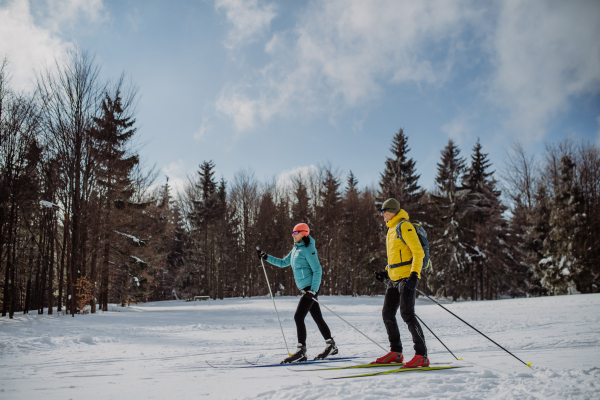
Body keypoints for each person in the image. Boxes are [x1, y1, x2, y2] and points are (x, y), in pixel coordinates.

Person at [256, 223, 337, 363]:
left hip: (310, 288)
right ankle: (331, 345)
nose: (293, 235)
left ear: (304, 233)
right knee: (317, 317)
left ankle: (301, 351)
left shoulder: (308, 249)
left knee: (298, 317)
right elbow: (282, 263)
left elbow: (318, 270)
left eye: (296, 232)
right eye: (293, 232)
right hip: (306, 289)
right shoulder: (296, 249)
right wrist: (266, 257)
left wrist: (313, 290)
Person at [374, 198, 429, 367]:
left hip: (407, 278)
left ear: (392, 211)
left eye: (384, 211)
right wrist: (386, 273)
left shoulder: (404, 226)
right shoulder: (391, 231)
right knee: (387, 314)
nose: (382, 215)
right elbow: (397, 256)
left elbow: (418, 253)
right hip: (394, 279)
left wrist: (414, 275)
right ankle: (396, 352)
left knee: (407, 314)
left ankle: (422, 355)